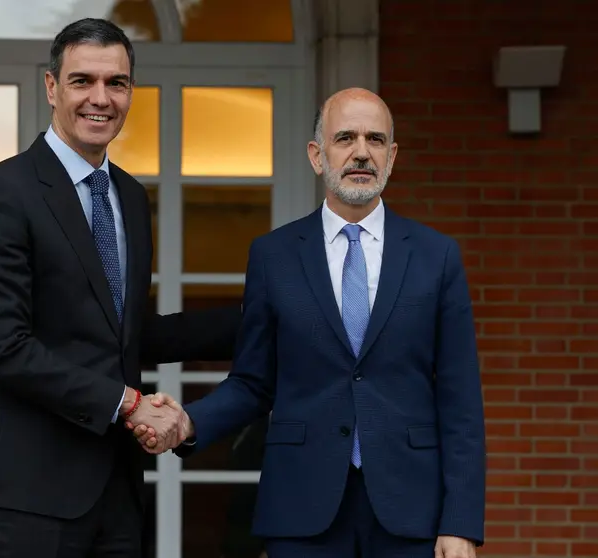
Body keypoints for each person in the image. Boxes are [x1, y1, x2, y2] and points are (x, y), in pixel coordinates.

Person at [131, 87, 486, 557]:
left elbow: (460, 401)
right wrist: (188, 422)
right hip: (302, 512)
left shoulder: (436, 257)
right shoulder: (273, 256)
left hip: (412, 514)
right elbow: (254, 382)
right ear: (318, 156)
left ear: (392, 156)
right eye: (346, 138)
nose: (362, 152)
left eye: (375, 140)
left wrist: (459, 522)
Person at [0, 18, 241, 558]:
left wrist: (262, 319)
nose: (100, 99)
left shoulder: (129, 197)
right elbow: (4, 348)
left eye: (117, 83)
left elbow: (124, 335)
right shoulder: (0, 193)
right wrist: (129, 403)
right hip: (27, 495)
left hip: (116, 492)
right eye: (83, 80)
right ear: (51, 87)